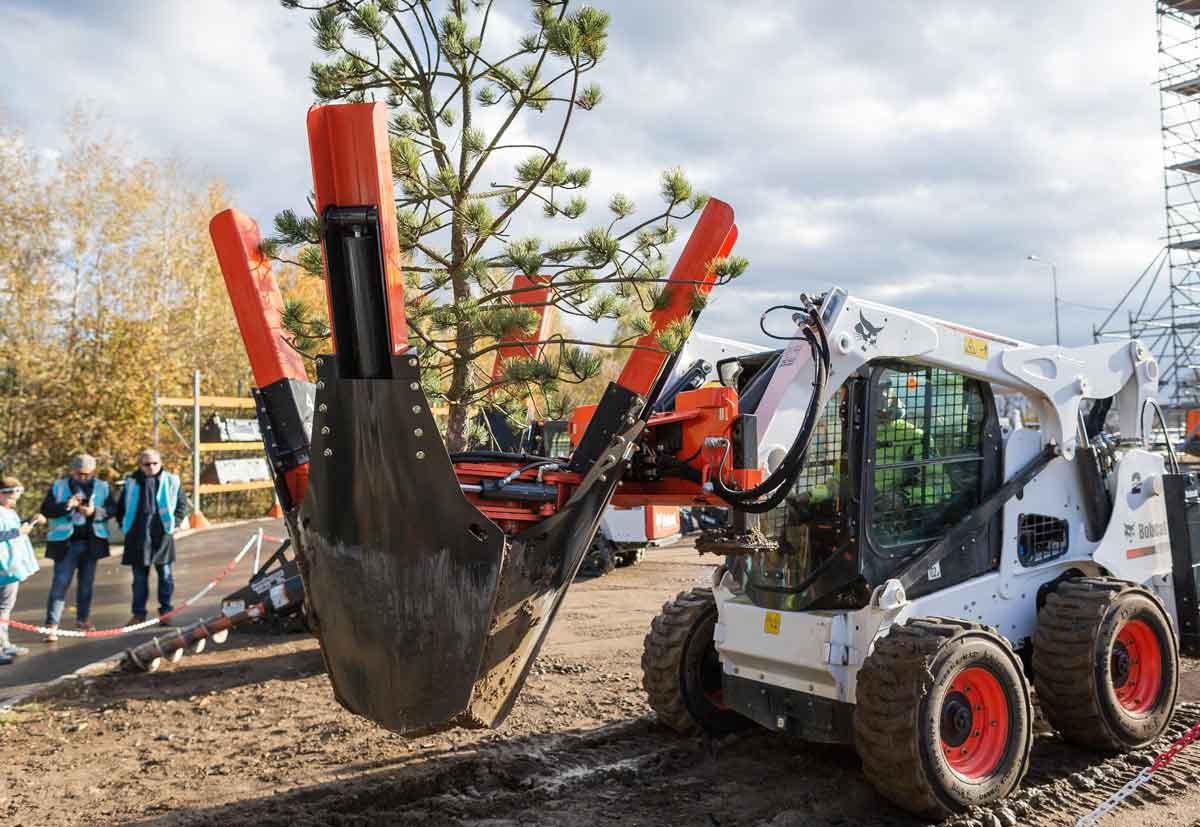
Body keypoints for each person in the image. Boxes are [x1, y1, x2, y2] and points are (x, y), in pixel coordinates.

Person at [40, 453, 117, 643]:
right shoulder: (58, 486)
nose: (83, 477)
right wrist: (67, 505)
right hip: (65, 543)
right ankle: (51, 626)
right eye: (79, 474)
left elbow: (112, 510)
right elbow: (46, 509)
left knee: (86, 585)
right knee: (60, 584)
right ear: (71, 471)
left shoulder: (102, 486)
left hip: (92, 542)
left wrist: (93, 512)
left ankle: (83, 620)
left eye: (87, 474)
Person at [115, 449, 189, 625]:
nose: (151, 467)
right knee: (139, 580)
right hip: (138, 538)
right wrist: (124, 527)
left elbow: (182, 506)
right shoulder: (132, 483)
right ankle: (138, 614)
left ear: (160, 463)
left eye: (155, 463)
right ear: (141, 465)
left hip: (162, 536)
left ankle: (165, 613)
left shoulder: (171, 481)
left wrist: (174, 525)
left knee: (165, 576)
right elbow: (121, 509)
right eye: (147, 464)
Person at [0, 477, 45, 662]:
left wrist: (31, 520)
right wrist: (18, 532)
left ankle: (4, 643)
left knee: (5, 608)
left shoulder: (8, 511)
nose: (14, 501)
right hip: (4, 568)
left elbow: (15, 528)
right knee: (3, 608)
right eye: (11, 498)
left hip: (11, 568)